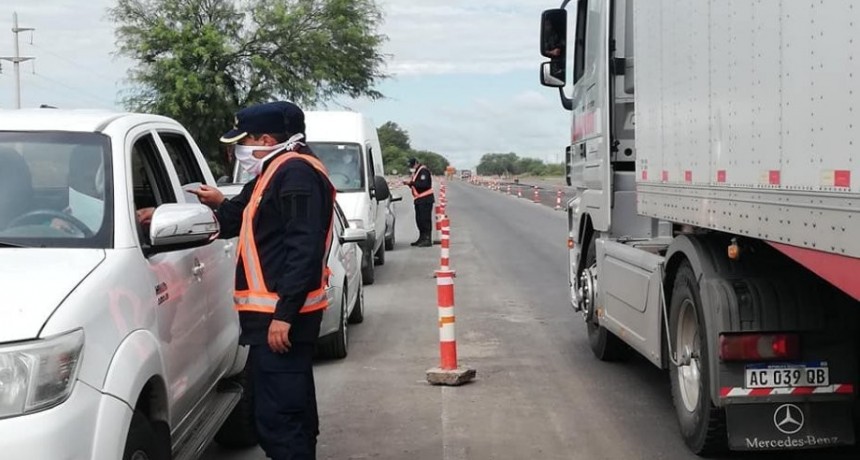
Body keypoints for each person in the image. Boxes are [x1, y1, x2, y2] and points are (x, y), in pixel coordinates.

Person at [191, 101, 335, 460]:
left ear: (266, 140)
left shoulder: (295, 174)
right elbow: (239, 218)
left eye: (244, 141)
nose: (238, 150)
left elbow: (304, 249)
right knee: (287, 407)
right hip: (269, 317)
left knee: (280, 417)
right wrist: (218, 202)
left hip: (282, 319)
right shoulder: (273, 171)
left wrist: (284, 315)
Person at [402, 157, 434, 247]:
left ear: (416, 163)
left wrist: (411, 183)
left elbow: (424, 185)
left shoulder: (423, 171)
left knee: (425, 220)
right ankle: (421, 238)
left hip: (425, 199)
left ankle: (427, 239)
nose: (411, 168)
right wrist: (409, 184)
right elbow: (416, 186)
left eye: (412, 165)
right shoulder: (416, 172)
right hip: (419, 200)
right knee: (419, 220)